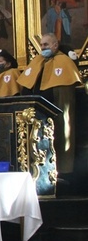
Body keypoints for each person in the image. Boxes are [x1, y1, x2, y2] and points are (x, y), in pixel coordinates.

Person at [18, 33, 82, 174]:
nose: (42, 47)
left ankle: (61, 171)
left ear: (55, 45)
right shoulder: (38, 61)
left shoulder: (64, 61)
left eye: (46, 45)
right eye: (41, 45)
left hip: (54, 110)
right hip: (36, 113)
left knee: (58, 139)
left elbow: (64, 97)